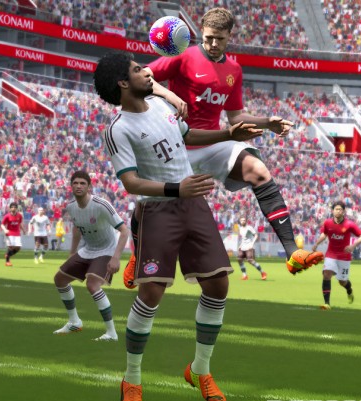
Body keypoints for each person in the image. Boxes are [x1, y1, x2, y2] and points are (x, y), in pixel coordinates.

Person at [94, 52, 263, 401]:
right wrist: (176, 188)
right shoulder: (117, 129)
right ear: (122, 83)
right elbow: (130, 182)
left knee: (218, 285)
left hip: (193, 204)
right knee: (151, 293)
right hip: (158, 209)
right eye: (137, 70)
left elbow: (186, 136)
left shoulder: (159, 104)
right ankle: (132, 379)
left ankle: (200, 369)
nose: (146, 73)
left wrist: (228, 133)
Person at [121, 7, 322, 286]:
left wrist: (267, 123)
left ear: (229, 36)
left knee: (258, 170)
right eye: (208, 38)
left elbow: (236, 117)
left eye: (220, 39)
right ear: (201, 34)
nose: (214, 44)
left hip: (213, 140)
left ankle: (292, 253)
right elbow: (142, 77)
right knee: (148, 203)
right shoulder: (183, 56)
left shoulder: (233, 70)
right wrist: (171, 95)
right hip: (177, 144)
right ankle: (137, 254)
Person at [52, 171, 129, 341]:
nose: (79, 186)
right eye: (75, 183)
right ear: (71, 186)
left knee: (92, 284)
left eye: (82, 183)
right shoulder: (71, 207)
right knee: (59, 279)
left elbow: (124, 231)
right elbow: (77, 229)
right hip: (88, 249)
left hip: (107, 250)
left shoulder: (101, 205)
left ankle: (111, 333)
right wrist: (72, 253)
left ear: (89, 187)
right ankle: (74, 322)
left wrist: (116, 257)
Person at [311, 201, 361, 310]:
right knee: (326, 274)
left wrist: (353, 246)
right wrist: (317, 243)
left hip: (344, 257)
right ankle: (327, 303)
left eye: (340, 209)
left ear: (344, 211)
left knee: (342, 282)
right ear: (332, 211)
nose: (338, 211)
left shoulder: (349, 224)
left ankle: (349, 290)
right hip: (331, 254)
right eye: (336, 209)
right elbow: (324, 234)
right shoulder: (327, 223)